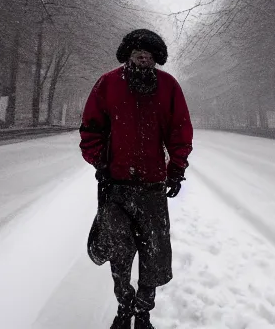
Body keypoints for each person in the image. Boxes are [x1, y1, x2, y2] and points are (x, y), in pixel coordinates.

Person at [79, 29, 193, 329]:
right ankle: (124, 307)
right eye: (138, 51)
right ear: (128, 53)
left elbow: (180, 131)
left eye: (149, 53)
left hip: (153, 187)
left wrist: (176, 168)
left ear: (156, 58)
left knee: (154, 255)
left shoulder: (168, 87)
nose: (143, 56)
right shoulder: (108, 84)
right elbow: (91, 129)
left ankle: (143, 313)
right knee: (120, 253)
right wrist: (100, 162)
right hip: (116, 187)